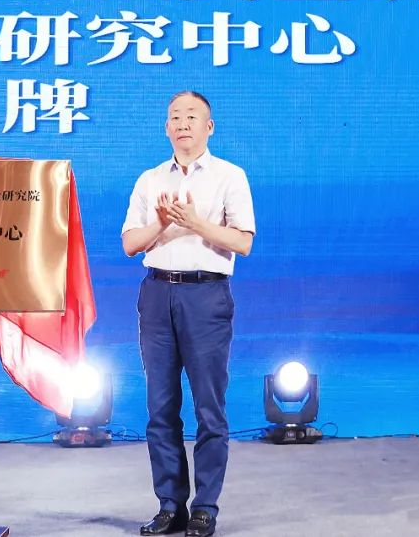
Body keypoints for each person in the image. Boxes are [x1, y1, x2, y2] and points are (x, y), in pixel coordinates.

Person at [122, 91, 255, 537]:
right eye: (175, 117)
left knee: (209, 408)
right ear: (166, 128)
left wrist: (196, 223)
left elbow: (243, 242)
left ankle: (205, 508)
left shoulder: (229, 176)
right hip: (157, 294)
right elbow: (130, 244)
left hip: (206, 295)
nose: (183, 123)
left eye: (192, 116)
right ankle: (169, 505)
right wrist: (162, 222)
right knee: (160, 408)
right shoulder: (149, 179)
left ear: (208, 127)